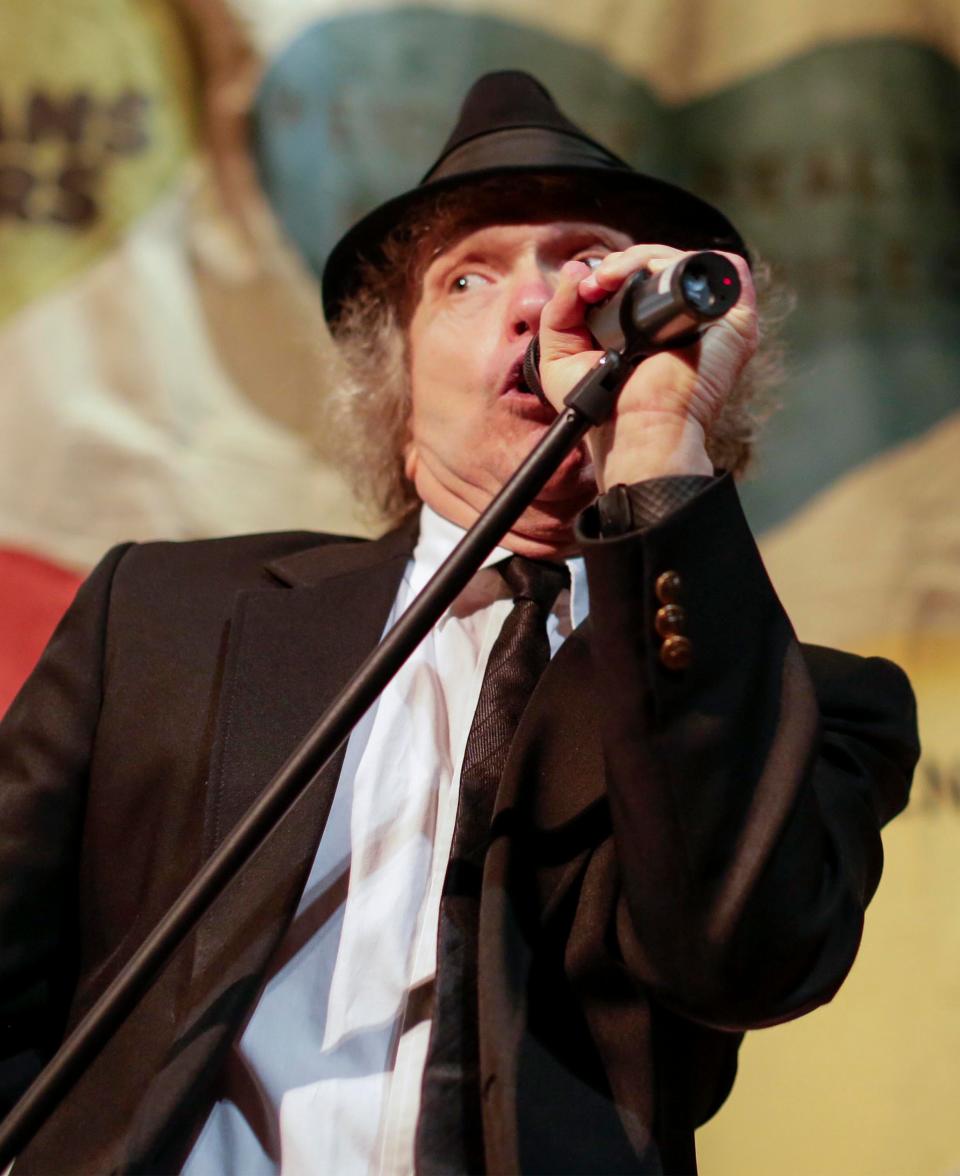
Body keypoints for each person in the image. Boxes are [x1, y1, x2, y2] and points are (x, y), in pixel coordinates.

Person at [0, 72, 918, 1175]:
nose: (543, 306)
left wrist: (663, 441)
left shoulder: (809, 706)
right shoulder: (162, 617)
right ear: (395, 400)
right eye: (469, 279)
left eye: (591, 265)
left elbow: (744, 960)